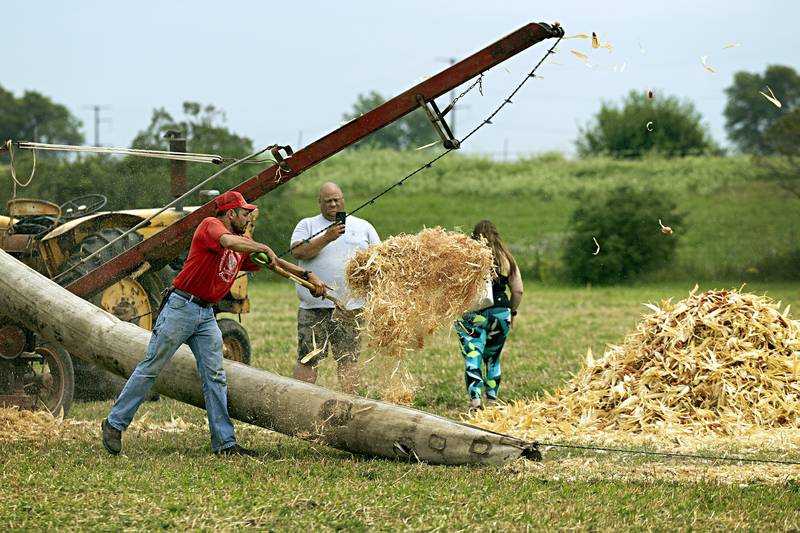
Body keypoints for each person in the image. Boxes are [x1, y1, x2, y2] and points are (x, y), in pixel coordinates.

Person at [101, 191, 325, 456]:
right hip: (181, 307)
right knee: (152, 367)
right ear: (231, 214)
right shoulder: (211, 226)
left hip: (206, 314)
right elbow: (230, 241)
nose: (248, 218)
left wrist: (308, 275)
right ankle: (114, 423)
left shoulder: (242, 242)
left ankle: (224, 443)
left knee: (215, 376)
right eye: (244, 214)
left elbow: (273, 263)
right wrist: (262, 246)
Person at [290, 182, 380, 394]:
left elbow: (379, 259)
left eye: (336, 199)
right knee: (308, 358)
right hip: (314, 308)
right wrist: (327, 237)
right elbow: (298, 253)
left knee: (348, 360)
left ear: (343, 199)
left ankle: (349, 404)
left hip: (350, 308)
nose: (333, 204)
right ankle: (299, 402)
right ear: (319, 202)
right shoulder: (307, 225)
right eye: (328, 200)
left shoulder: (363, 227)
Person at [455, 220, 523, 413]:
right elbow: (518, 291)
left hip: (472, 314)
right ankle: (492, 401)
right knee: (493, 358)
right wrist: (512, 311)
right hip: (500, 314)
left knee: (473, 357)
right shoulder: (506, 258)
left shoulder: (466, 257)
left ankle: (476, 403)